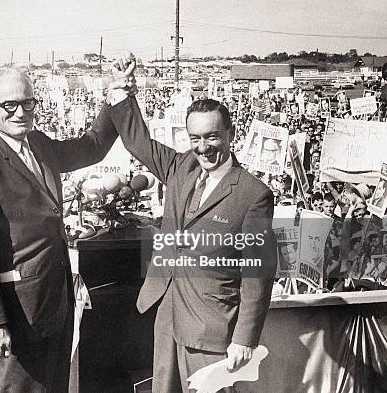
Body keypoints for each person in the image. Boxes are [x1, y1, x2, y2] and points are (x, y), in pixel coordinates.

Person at [106, 53, 276, 392]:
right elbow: (138, 143)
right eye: (195, 138)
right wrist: (122, 88)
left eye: (212, 137)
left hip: (210, 324)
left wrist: (244, 338)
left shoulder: (253, 194)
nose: (203, 147)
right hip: (167, 312)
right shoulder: (181, 167)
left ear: (230, 134)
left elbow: (258, 274)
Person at [0, 67, 122, 392]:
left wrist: (116, 94)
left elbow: (93, 146)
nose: (21, 112)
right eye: (10, 105)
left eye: (28, 104)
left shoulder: (38, 144)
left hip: (55, 301)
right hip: (20, 311)